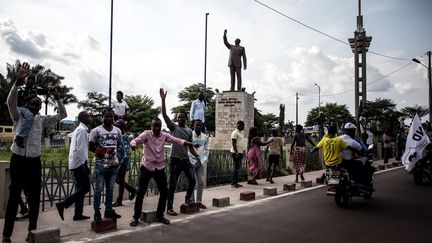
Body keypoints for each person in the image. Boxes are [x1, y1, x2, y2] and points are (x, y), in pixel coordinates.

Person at [3, 62, 67, 243]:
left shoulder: (41, 120)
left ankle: (32, 232)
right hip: (17, 159)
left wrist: (57, 97)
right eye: (32, 102)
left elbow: (62, 115)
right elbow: (10, 101)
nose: (35, 104)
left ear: (40, 107)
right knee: (14, 197)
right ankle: (6, 235)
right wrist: (17, 81)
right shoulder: (18, 115)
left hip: (34, 162)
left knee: (34, 198)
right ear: (27, 104)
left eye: (38, 103)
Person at [129, 117, 199, 226]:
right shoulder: (147, 134)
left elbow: (177, 140)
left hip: (159, 168)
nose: (156, 128)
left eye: (158, 126)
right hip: (147, 167)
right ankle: (136, 218)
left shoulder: (164, 135)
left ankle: (160, 215)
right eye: (154, 126)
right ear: (151, 126)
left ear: (161, 127)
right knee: (141, 193)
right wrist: (133, 144)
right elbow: (136, 140)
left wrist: (191, 144)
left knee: (164, 192)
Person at [160, 88, 201, 217]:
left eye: (182, 117)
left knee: (193, 180)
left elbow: (190, 147)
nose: (179, 119)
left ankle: (188, 198)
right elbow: (165, 116)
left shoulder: (189, 131)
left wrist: (197, 156)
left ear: (186, 118)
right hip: (175, 160)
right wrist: (163, 100)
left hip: (185, 160)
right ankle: (169, 207)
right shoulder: (173, 128)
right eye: (178, 117)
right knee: (172, 185)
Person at [55, 111, 91, 221]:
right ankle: (63, 204)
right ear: (82, 118)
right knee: (86, 188)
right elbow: (79, 149)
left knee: (81, 188)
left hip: (77, 163)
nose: (90, 118)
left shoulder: (80, 130)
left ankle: (78, 214)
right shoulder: (81, 130)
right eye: (88, 116)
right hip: (79, 164)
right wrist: (84, 164)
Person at [89, 109, 122, 223]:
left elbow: (118, 144)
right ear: (102, 117)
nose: (109, 118)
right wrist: (97, 150)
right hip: (100, 165)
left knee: (110, 189)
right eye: (106, 116)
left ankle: (108, 210)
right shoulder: (96, 130)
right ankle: (96, 212)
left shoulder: (118, 130)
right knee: (98, 189)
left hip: (113, 165)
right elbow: (90, 145)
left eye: (111, 116)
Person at [14, 73, 48, 148]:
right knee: (30, 116)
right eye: (29, 78)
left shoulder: (35, 88)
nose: (31, 80)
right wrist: (29, 97)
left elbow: (44, 91)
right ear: (25, 79)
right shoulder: (21, 88)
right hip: (21, 108)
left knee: (31, 117)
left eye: (33, 79)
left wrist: (49, 90)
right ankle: (20, 136)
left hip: (28, 109)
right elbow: (17, 101)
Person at [112, 119, 137, 207]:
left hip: (122, 163)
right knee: (118, 180)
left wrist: (121, 164)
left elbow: (127, 152)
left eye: (117, 125)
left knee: (120, 180)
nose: (115, 127)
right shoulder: (118, 135)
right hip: (117, 162)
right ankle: (132, 190)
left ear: (121, 127)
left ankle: (119, 200)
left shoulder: (124, 137)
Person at [188, 119, 209, 209]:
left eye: (200, 125)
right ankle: (192, 201)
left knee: (201, 182)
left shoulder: (205, 137)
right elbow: (187, 148)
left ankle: (199, 202)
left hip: (200, 162)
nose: (199, 127)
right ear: (193, 126)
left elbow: (207, 149)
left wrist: (203, 160)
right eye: (197, 125)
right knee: (192, 182)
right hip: (191, 161)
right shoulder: (190, 135)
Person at [230, 120, 245, 188]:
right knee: (236, 168)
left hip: (240, 152)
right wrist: (236, 152)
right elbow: (233, 143)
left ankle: (236, 182)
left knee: (238, 168)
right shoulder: (235, 133)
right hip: (236, 153)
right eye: (243, 126)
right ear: (240, 126)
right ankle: (233, 183)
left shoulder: (240, 133)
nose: (243, 127)